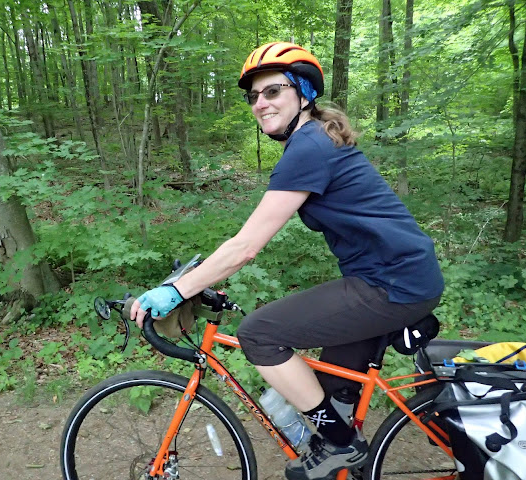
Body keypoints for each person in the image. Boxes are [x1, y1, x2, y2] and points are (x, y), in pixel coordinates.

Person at [131, 41, 444, 480]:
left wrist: (175, 291)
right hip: (395, 278)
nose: (260, 103)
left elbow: (246, 245)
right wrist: (198, 278)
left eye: (273, 91)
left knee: (259, 334)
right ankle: (344, 453)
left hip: (392, 285)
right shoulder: (315, 141)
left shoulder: (309, 147)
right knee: (332, 391)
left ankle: (341, 446)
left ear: (304, 93)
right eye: (253, 96)